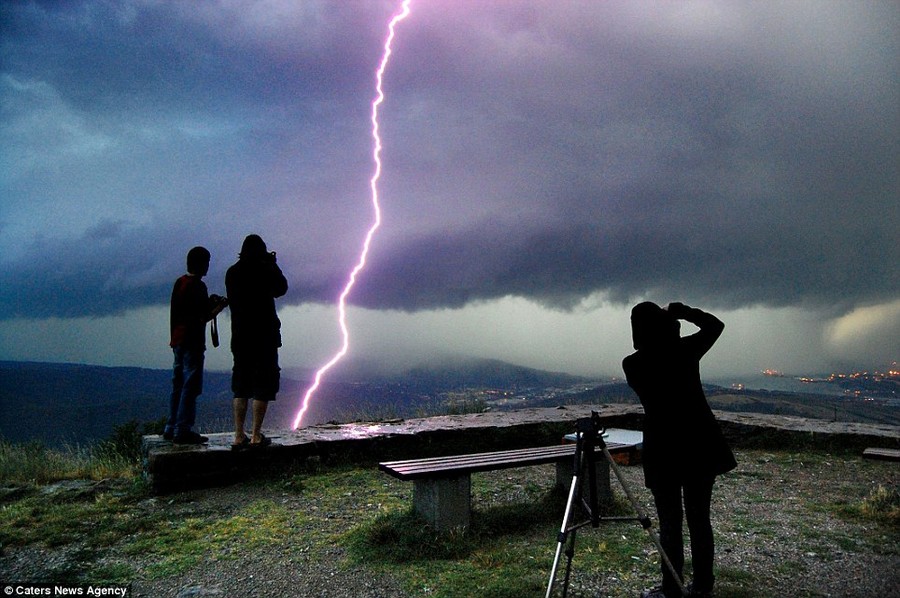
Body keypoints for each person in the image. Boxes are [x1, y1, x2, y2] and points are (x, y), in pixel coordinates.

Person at [622, 302, 737, 598]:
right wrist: (683, 312)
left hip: (663, 449)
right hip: (699, 443)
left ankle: (671, 587)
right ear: (664, 324)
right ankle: (702, 586)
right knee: (699, 519)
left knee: (670, 523)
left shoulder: (632, 364)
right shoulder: (685, 351)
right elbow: (715, 326)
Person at [226, 234, 288, 450]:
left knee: (240, 386)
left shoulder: (232, 273)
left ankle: (238, 435)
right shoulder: (265, 270)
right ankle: (255, 436)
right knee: (263, 384)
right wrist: (272, 265)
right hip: (264, 336)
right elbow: (281, 288)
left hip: (240, 336)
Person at [166, 246, 228, 444]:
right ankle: (183, 429)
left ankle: (171, 426)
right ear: (201, 264)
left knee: (178, 384)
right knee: (190, 386)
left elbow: (184, 311)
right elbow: (202, 316)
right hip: (192, 341)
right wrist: (218, 307)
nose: (208, 266)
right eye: (207, 262)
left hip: (177, 340)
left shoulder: (180, 283)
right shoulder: (198, 286)